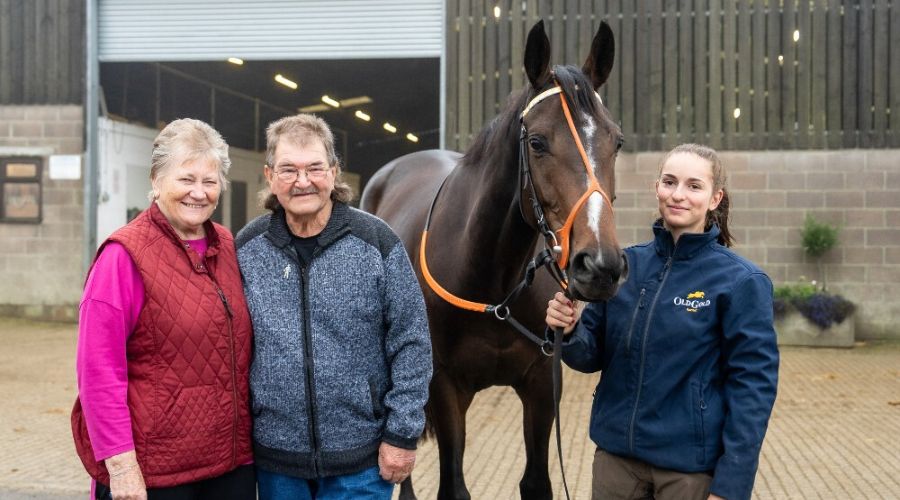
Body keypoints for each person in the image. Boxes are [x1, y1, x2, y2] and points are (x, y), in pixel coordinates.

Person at [546, 143, 779, 500]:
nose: (678, 195)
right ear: (657, 188)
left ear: (715, 199)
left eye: (693, 186)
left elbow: (753, 391)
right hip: (616, 465)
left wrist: (731, 486)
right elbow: (588, 356)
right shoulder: (626, 266)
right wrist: (571, 329)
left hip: (687, 474)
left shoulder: (741, 281)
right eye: (669, 182)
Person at [235, 113, 432, 499]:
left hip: (361, 463)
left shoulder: (376, 243)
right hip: (276, 464)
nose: (303, 181)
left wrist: (402, 433)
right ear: (269, 176)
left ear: (335, 171)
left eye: (314, 168)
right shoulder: (247, 249)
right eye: (288, 169)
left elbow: (412, 342)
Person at [71, 118, 255, 500]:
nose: (199, 193)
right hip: (154, 473)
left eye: (210, 181)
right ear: (156, 179)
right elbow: (98, 372)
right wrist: (121, 467)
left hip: (228, 465)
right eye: (186, 179)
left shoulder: (225, 244)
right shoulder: (123, 256)